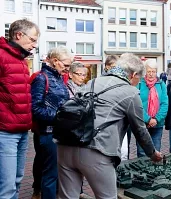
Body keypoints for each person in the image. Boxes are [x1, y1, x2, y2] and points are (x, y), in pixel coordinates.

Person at [56, 53, 163, 199]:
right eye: (139, 79)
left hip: (66, 145)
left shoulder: (92, 82)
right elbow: (140, 130)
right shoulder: (130, 92)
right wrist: (152, 153)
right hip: (97, 150)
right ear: (134, 75)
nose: (138, 82)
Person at [0, 19, 39, 199]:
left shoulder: (22, 61)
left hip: (22, 131)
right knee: (6, 186)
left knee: (16, 181)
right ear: (18, 35)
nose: (34, 44)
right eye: (32, 40)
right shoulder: (1, 56)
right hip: (5, 133)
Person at [31, 46, 72, 199]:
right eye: (66, 65)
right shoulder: (42, 78)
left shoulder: (58, 77)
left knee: (56, 173)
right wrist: (61, 116)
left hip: (58, 132)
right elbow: (35, 109)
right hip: (48, 133)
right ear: (55, 61)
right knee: (50, 174)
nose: (67, 69)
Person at [66, 62, 92, 199]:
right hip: (69, 131)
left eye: (84, 75)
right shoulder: (66, 88)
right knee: (68, 164)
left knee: (80, 163)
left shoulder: (85, 88)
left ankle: (79, 191)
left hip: (82, 131)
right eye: (79, 74)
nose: (82, 77)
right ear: (70, 74)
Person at [136, 59, 168, 157]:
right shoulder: (140, 84)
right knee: (142, 152)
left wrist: (156, 119)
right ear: (145, 71)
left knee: (156, 151)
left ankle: (154, 171)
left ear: (156, 72)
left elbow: (165, 104)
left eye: (153, 71)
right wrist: (148, 119)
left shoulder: (161, 84)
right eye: (149, 71)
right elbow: (137, 105)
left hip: (157, 124)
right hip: (142, 123)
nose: (151, 74)